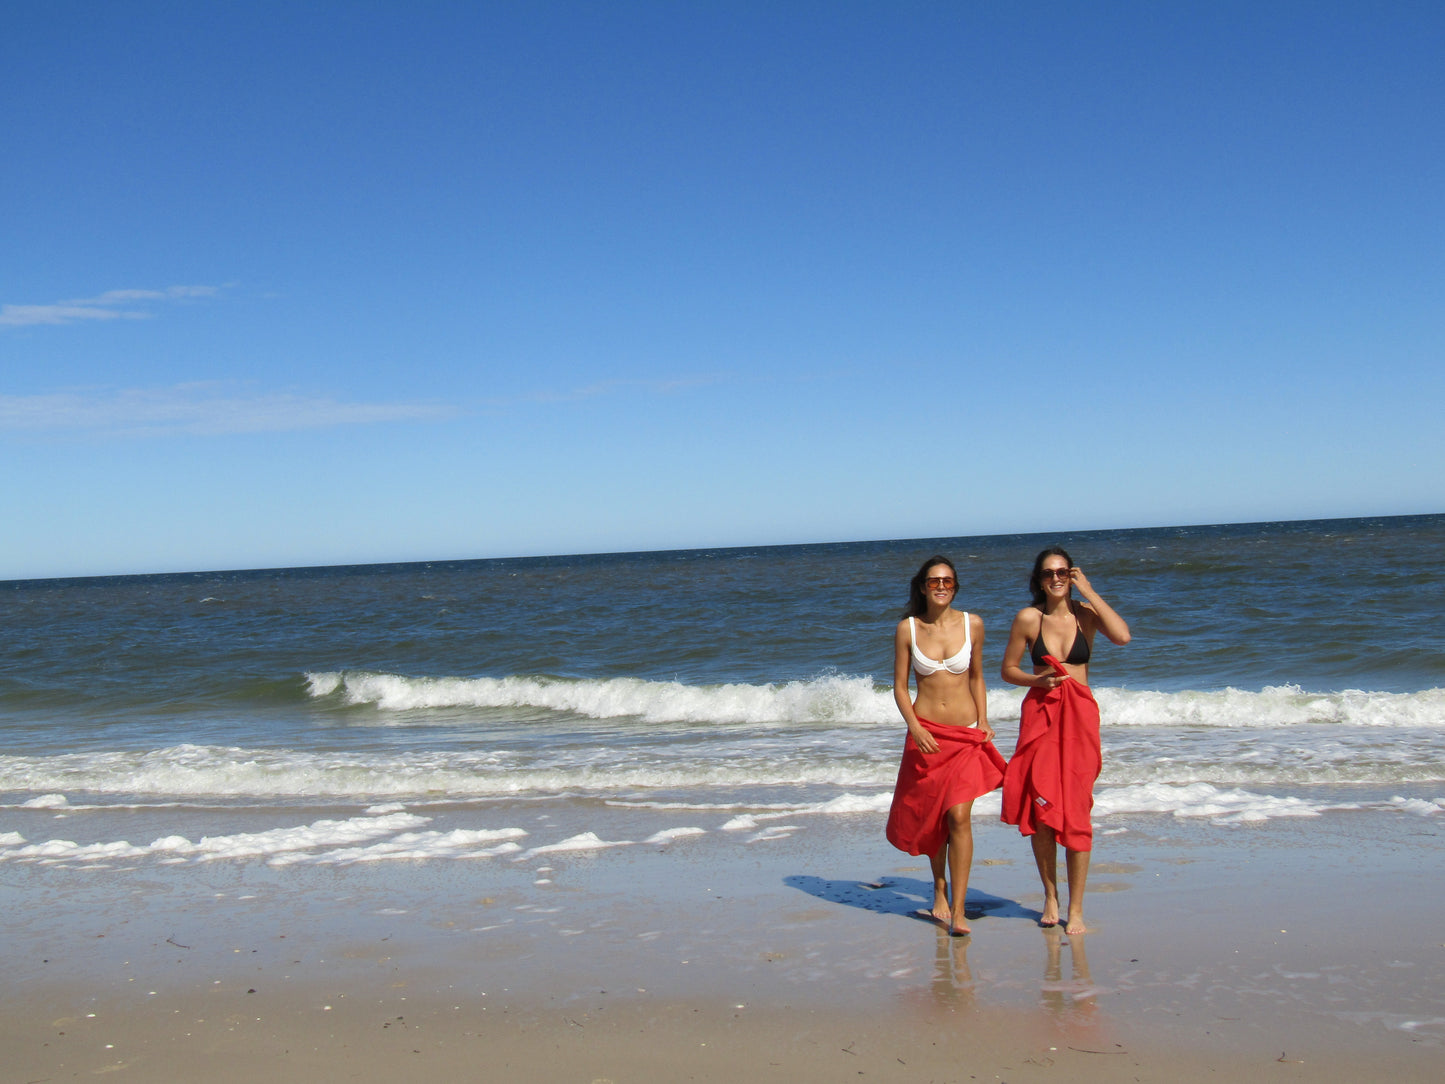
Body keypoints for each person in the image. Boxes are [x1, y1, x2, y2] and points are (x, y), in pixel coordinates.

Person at [999, 547, 1130, 935]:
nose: (1055, 579)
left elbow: (1122, 636)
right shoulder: (1028, 618)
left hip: (1080, 720)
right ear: (1038, 579)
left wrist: (1087, 590)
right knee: (1042, 811)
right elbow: (1008, 670)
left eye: (1062, 572)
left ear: (1070, 575)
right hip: (1040, 718)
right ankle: (1051, 896)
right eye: (1048, 573)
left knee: (1076, 811)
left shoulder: (1085, 615)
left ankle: (1076, 908)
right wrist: (1037, 680)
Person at [885, 555, 1006, 936]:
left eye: (948, 581)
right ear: (922, 586)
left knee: (958, 816)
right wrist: (915, 727)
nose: (941, 587)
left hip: (965, 733)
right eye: (934, 581)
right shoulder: (907, 629)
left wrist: (984, 719)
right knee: (934, 816)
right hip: (926, 736)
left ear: (956, 586)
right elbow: (900, 686)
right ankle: (939, 889)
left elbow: (978, 676)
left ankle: (958, 908)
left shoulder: (974, 624)